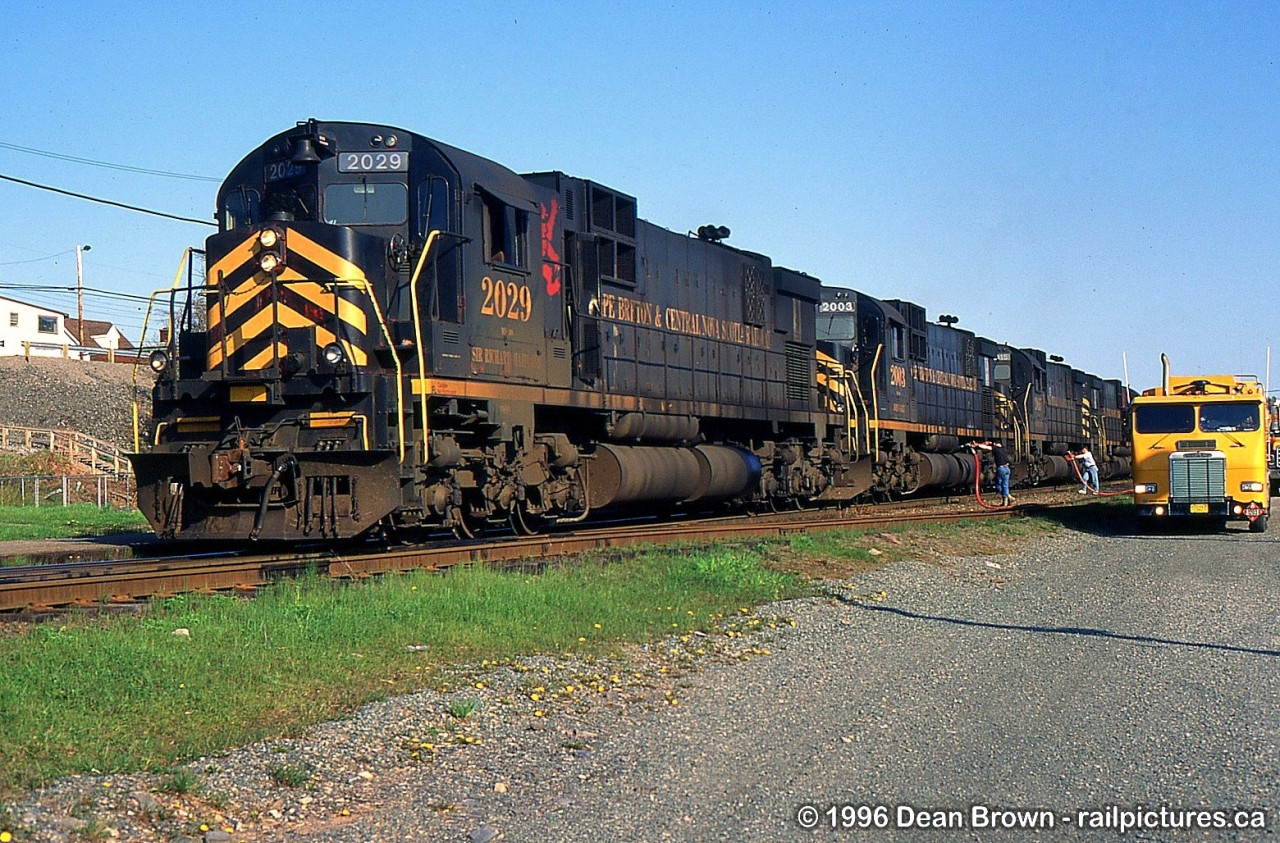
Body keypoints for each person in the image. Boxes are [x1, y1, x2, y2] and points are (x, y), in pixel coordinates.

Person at [975, 440, 1014, 506]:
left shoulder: (996, 449)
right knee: (1005, 485)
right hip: (1007, 468)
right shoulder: (1004, 448)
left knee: (998, 485)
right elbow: (993, 444)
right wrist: (990, 442)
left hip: (1001, 469)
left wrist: (978, 445)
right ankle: (1008, 499)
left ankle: (1007, 499)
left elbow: (987, 448)